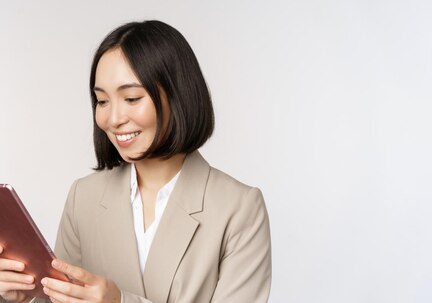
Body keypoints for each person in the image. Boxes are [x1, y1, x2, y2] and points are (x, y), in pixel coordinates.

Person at [0, 20, 272, 303]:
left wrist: (119, 301)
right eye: (102, 101)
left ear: (177, 96)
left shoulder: (239, 208)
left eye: (131, 98)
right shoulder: (84, 197)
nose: (114, 118)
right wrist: (23, 297)